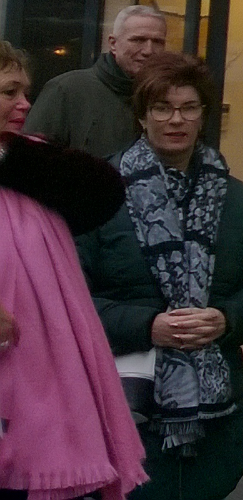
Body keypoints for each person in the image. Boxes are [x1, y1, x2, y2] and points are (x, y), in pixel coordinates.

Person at [78, 53, 243, 500]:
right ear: (141, 116)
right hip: (125, 402)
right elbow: (69, 297)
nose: (176, 120)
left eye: (189, 108)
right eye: (162, 108)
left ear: (203, 115)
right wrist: (147, 326)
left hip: (219, 416)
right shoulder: (96, 192)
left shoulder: (236, 197)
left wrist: (226, 319)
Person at [0, 39, 147, 500]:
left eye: (26, 91)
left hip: (40, 368)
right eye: (9, 92)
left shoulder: (27, 159)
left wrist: (9, 157)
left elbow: (102, 191)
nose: (25, 104)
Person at [26, 5, 168, 159]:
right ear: (113, 44)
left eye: (157, 42)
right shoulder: (67, 90)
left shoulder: (168, 96)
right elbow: (29, 159)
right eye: (138, 40)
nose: (148, 50)